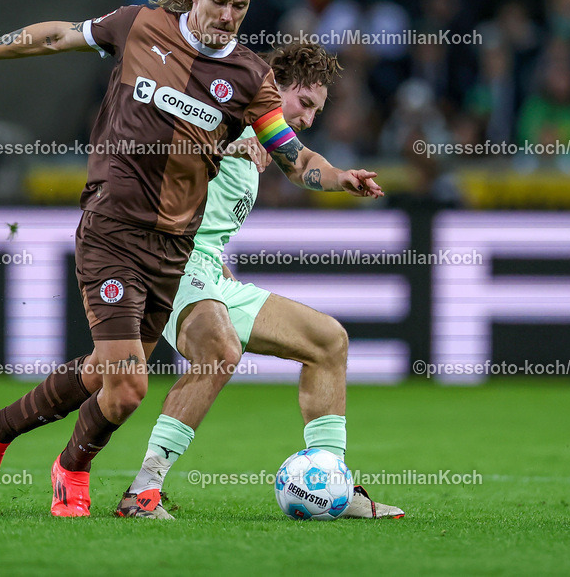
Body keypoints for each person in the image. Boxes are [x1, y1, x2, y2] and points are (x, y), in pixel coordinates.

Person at [0, 0, 383, 517]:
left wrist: (339, 177)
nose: (228, 15)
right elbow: (54, 37)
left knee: (111, 376)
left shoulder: (250, 81)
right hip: (112, 228)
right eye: (219, 1)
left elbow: (296, 159)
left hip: (174, 252)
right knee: (141, 378)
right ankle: (88, 476)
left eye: (240, 7)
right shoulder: (139, 27)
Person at [114, 41, 403, 519]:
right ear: (275, 86)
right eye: (304, 103)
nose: (308, 118)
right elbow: (165, 145)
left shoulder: (267, 132)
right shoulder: (220, 107)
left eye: (317, 110)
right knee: (218, 351)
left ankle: (332, 480)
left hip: (208, 271)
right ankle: (142, 491)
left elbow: (304, 165)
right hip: (167, 261)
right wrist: (227, 144)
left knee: (328, 341)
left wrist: (342, 178)